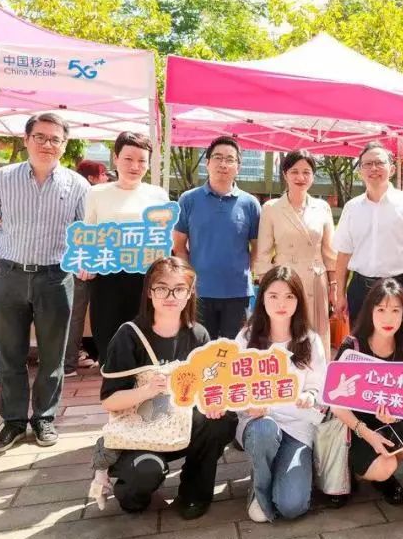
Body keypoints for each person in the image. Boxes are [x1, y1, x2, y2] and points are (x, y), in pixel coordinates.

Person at [0, 112, 88, 454]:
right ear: (26, 140)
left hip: (55, 277)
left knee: (53, 355)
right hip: (9, 275)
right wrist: (9, 251)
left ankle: (44, 417)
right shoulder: (2, 178)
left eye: (55, 139)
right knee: (9, 354)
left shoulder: (77, 185)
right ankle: (13, 421)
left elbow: (83, 232)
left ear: (64, 145)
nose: (47, 144)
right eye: (40, 137)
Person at [99, 257, 237, 519]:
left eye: (179, 289)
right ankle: (131, 487)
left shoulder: (198, 335)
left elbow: (207, 387)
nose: (171, 296)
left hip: (180, 427)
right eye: (162, 288)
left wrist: (214, 402)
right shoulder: (129, 335)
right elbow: (109, 400)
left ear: (190, 293)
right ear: (149, 292)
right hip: (140, 431)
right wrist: (146, 391)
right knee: (146, 474)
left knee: (221, 420)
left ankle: (194, 493)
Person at [235, 266, 327, 523]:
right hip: (259, 424)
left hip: (297, 426)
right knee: (264, 431)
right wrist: (248, 406)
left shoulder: (310, 340)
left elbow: (318, 386)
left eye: (289, 296)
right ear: (262, 298)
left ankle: (282, 470)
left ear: (299, 301)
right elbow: (234, 387)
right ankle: (259, 491)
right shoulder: (246, 338)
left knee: (292, 506)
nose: (281, 304)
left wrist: (310, 396)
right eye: (273, 296)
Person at [329, 278, 403, 505]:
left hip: (387, 422)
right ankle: (353, 469)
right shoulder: (352, 347)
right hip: (353, 426)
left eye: (395, 310)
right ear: (370, 311)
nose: (388, 318)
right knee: (384, 466)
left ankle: (382, 478)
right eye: (381, 310)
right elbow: (335, 402)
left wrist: (396, 417)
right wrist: (366, 432)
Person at [78, 133, 168, 365]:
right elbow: (88, 233)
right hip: (107, 280)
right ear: (115, 158)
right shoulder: (97, 193)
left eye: (142, 160)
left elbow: (162, 237)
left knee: (146, 343)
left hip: (146, 280)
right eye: (128, 159)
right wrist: (85, 262)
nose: (135, 166)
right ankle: (113, 385)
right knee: (109, 342)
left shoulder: (157, 195)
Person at [333, 142, 403, 327]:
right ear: (360, 171)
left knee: (396, 340)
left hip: (396, 287)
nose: (373, 168)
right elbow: (343, 253)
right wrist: (340, 294)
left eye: (379, 163)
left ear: (391, 169)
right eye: (367, 164)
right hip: (360, 288)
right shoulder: (352, 208)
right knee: (360, 339)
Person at [174, 136, 261, 339]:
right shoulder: (188, 200)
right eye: (218, 157)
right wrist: (189, 281)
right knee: (199, 347)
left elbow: (257, 248)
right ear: (207, 163)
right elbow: (179, 247)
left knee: (235, 348)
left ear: (238, 167)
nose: (223, 164)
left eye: (230, 159)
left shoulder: (250, 204)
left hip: (238, 292)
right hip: (199, 292)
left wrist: (244, 272)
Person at [254, 150, 337, 348]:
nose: (301, 177)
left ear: (313, 176)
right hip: (284, 282)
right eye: (294, 172)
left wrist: (334, 285)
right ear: (285, 174)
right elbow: (263, 253)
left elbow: (330, 252)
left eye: (306, 172)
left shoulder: (322, 207)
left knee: (316, 336)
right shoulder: (271, 208)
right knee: (284, 334)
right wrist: (266, 289)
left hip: (315, 280)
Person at [64, 159, 109, 375]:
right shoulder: (91, 197)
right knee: (80, 315)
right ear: (91, 178)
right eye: (103, 174)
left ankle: (69, 362)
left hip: (83, 263)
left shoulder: (73, 195)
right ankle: (69, 362)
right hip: (86, 265)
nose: (106, 177)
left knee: (77, 315)